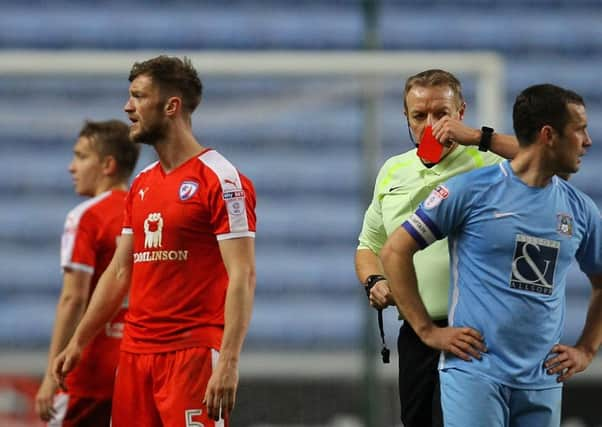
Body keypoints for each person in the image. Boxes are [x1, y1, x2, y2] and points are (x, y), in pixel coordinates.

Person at [381, 83, 602, 427]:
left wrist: (587, 349)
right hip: (476, 374)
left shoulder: (581, 210)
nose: (587, 142)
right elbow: (395, 250)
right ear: (549, 135)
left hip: (544, 380)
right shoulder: (470, 191)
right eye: (579, 130)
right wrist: (427, 330)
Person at [53, 56, 257, 427]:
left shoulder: (222, 180)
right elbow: (119, 270)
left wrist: (228, 361)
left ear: (171, 106)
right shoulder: (142, 183)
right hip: (133, 357)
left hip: (191, 356)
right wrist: (78, 341)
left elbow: (243, 275)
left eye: (137, 96)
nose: (127, 107)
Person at [354, 69, 518, 427]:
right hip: (417, 329)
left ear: (461, 111)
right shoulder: (393, 170)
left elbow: (545, 158)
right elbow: (368, 245)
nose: (430, 124)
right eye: (419, 115)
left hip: (476, 332)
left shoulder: (489, 164)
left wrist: (478, 138)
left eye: (441, 113)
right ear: (406, 118)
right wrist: (374, 281)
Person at [35, 120, 140, 426]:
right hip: (135, 365)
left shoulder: (86, 217)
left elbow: (73, 298)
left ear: (108, 165)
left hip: (88, 368)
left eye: (81, 157)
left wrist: (50, 377)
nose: (71, 167)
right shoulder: (146, 211)